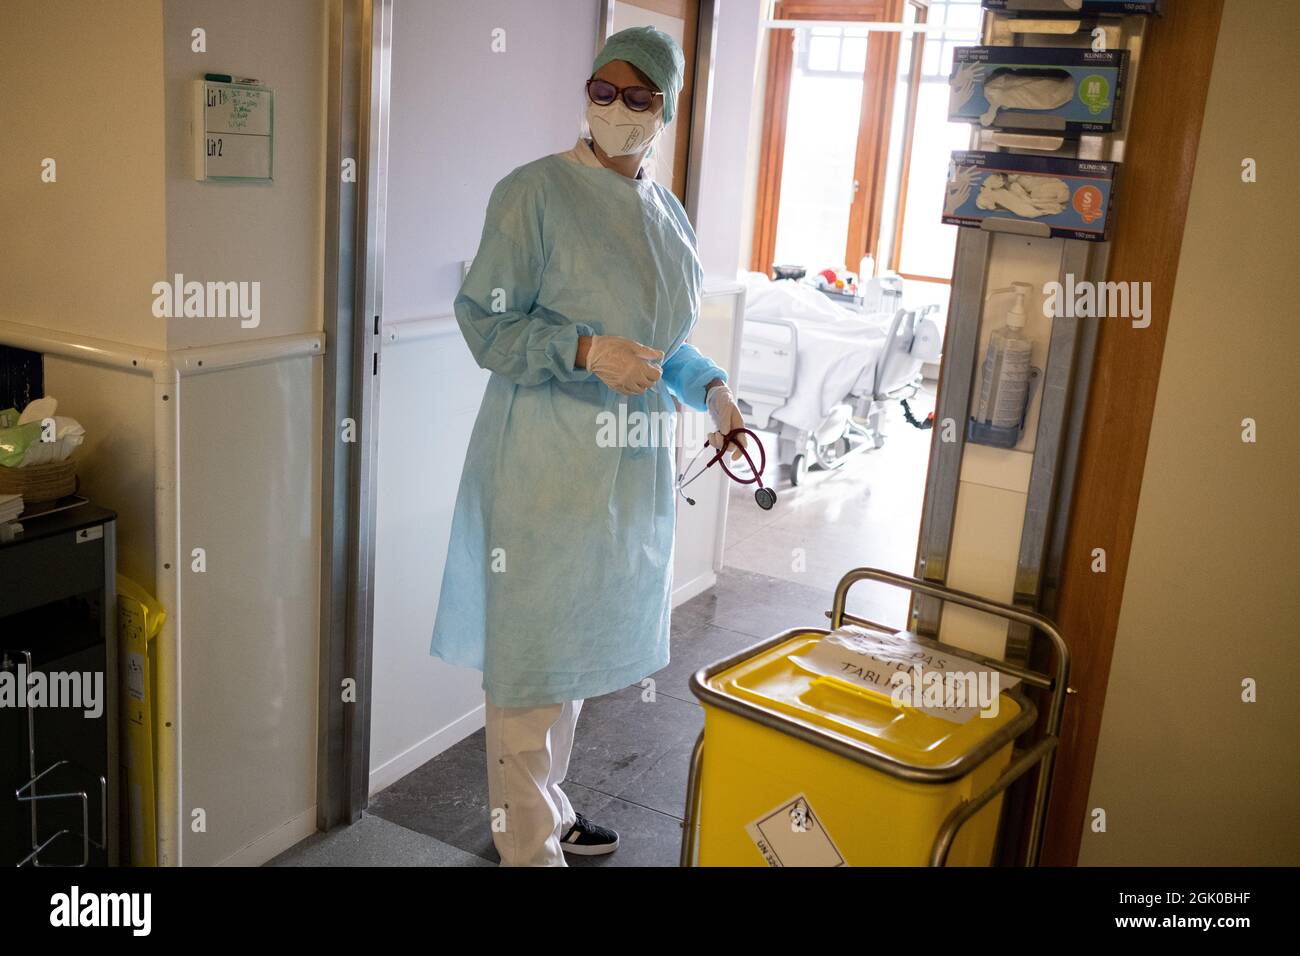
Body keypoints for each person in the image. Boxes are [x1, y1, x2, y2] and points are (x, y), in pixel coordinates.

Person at [429, 25, 746, 867]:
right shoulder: (532, 193)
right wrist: (580, 349)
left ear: (666, 109)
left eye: (636, 96)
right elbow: (487, 323)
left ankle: (550, 807)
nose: (613, 109)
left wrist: (713, 392)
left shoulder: (664, 214)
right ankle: (525, 845)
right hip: (540, 464)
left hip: (625, 473)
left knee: (569, 656)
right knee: (530, 664)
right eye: (600, 92)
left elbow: (660, 346)